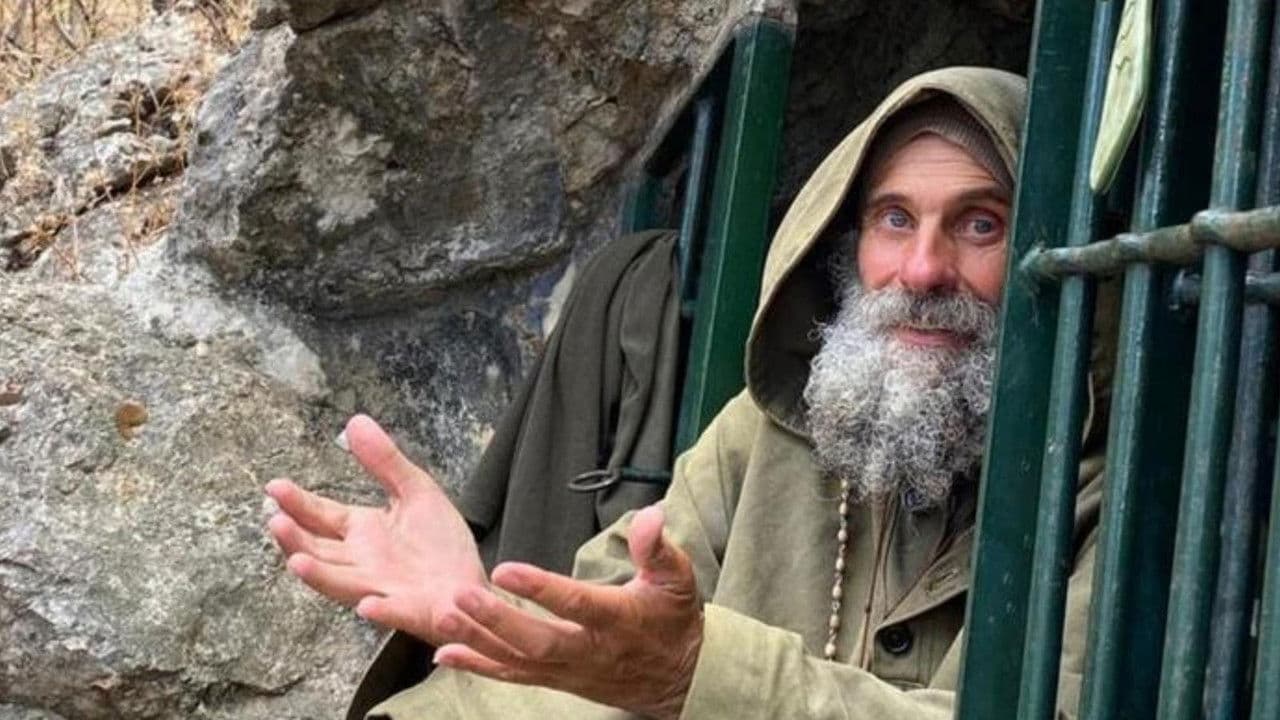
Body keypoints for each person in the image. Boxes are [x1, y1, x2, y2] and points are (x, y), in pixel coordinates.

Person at [265, 65, 1101, 719]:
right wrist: (480, 611)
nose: (922, 270)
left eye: (980, 224)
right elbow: (603, 647)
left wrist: (694, 678)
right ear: (849, 244)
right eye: (894, 220)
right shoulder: (765, 434)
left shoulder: (1113, 492)